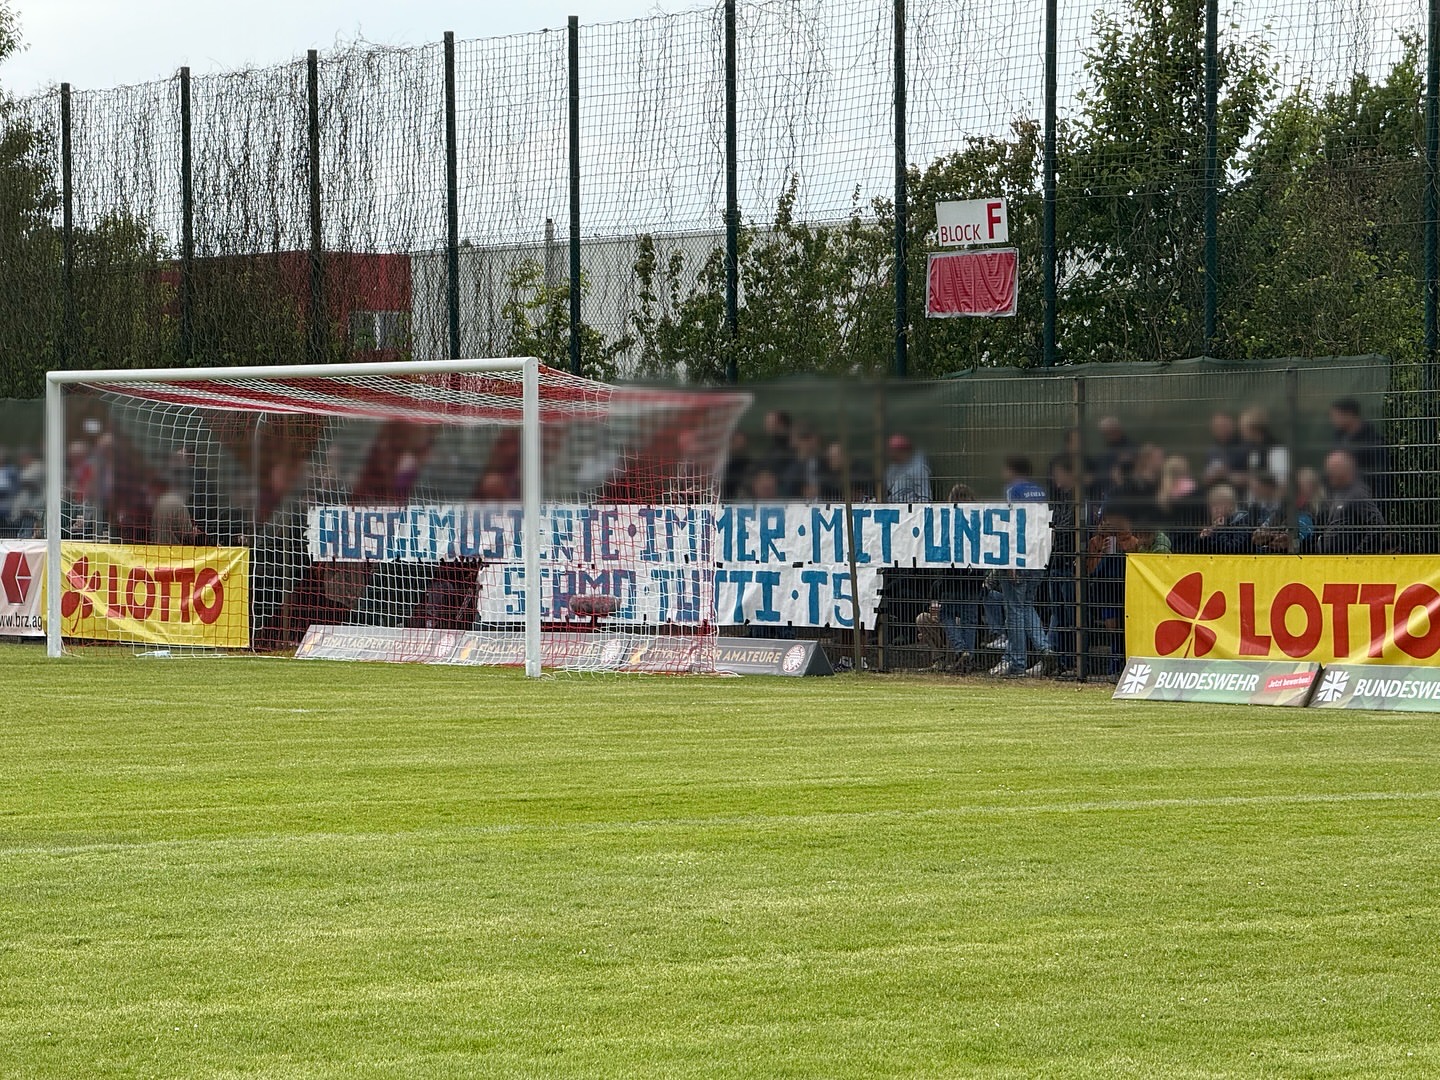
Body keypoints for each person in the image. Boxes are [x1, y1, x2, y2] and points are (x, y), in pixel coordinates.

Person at [991, 455, 1055, 678]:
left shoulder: (1013, 490)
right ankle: (1045, 648)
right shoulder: (1039, 492)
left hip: (1019, 557)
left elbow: (1011, 525)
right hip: (1038, 556)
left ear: (1011, 470)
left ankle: (1018, 662)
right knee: (1026, 605)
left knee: (1015, 610)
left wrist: (1011, 560)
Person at [1317, 450, 1383, 554]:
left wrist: (1359, 554)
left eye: (1333, 470)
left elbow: (1377, 524)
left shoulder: (1357, 493)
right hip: (1333, 562)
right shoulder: (1339, 493)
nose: (1329, 474)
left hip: (1349, 564)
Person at [1329, 398, 1389, 502]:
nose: (1333, 420)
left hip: (1365, 499)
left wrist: (1379, 506)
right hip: (1341, 499)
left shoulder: (1373, 440)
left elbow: (1382, 476)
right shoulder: (1338, 438)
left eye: (1336, 416)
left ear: (1349, 414)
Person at [1238, 407, 1289, 485]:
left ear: (1254, 429)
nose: (1241, 432)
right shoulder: (1252, 449)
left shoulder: (1276, 450)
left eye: (1244, 428)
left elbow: (1283, 484)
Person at [1195, 484, 1251, 554]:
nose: (1215, 509)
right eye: (1212, 505)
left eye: (1219, 504)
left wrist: (1219, 530)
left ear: (1231, 506)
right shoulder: (1213, 522)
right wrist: (1203, 538)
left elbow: (1232, 549)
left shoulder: (1242, 522)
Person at [884, 435, 931, 503]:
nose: (891, 454)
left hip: (910, 510)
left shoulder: (919, 469)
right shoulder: (892, 468)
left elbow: (925, 497)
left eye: (894, 451)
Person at [1204, 412, 1249, 481]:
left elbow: (1252, 477)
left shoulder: (1245, 447)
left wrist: (1227, 475)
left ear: (1232, 425)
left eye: (1223, 426)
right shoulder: (1212, 451)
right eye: (1217, 426)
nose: (1221, 429)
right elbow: (1206, 477)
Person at [782, 428, 824, 499]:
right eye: (806, 440)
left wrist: (820, 489)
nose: (811, 444)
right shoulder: (790, 463)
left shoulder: (824, 462)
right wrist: (803, 490)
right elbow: (788, 485)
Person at [721, 430, 751, 501]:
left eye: (742, 442)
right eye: (736, 442)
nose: (739, 445)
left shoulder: (748, 464)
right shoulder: (721, 463)